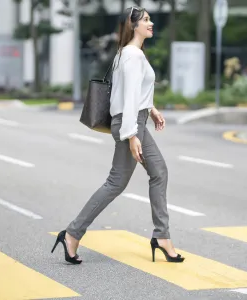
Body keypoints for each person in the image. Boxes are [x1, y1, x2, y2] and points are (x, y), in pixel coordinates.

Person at [51, 6, 184, 265]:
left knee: (154, 173)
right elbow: (130, 96)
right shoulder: (132, 55)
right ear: (133, 25)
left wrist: (153, 110)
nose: (151, 22)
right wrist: (132, 134)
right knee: (121, 181)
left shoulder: (127, 53)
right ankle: (72, 233)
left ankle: (161, 236)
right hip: (130, 123)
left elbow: (131, 91)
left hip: (135, 120)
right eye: (146, 20)